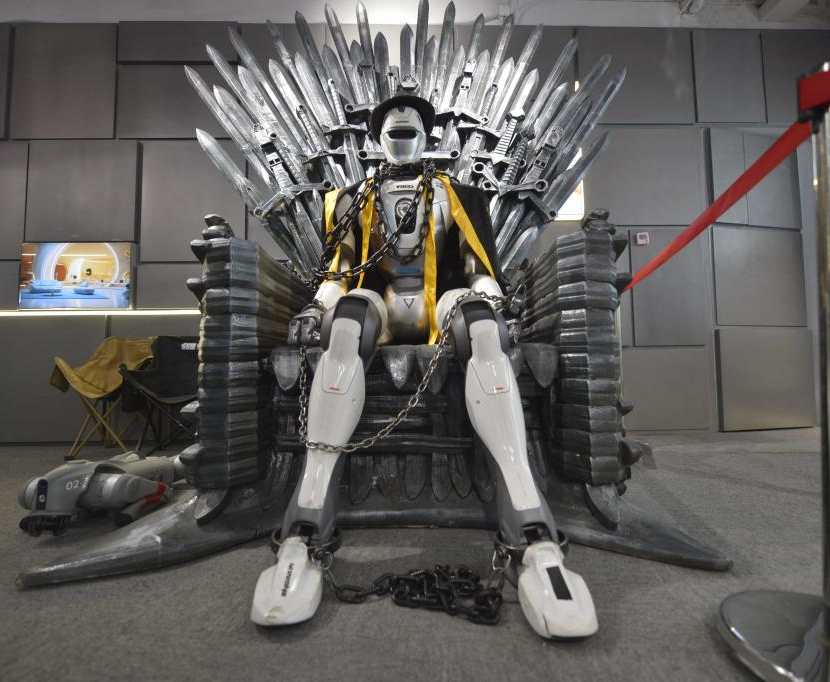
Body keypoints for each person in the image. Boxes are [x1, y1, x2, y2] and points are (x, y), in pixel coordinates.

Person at [250, 87, 598, 639]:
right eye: (392, 120)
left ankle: (531, 531)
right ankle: (307, 524)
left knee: (483, 326)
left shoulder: (454, 196)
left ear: (426, 136)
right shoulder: (352, 200)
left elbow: (475, 267)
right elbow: (339, 271)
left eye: (412, 120)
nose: (402, 120)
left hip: (442, 303)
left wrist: (495, 300)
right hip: (381, 304)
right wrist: (316, 307)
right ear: (376, 138)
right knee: (344, 324)